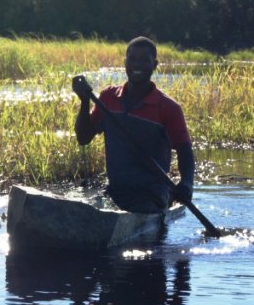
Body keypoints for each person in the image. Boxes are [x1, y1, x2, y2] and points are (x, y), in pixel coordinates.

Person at [73, 36, 195, 214]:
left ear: (154, 65)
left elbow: (185, 152)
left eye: (144, 60)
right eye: (132, 59)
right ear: (125, 62)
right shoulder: (108, 97)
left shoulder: (169, 108)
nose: (137, 65)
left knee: (139, 222)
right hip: (115, 192)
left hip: (151, 196)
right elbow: (83, 138)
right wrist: (84, 101)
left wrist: (186, 184)